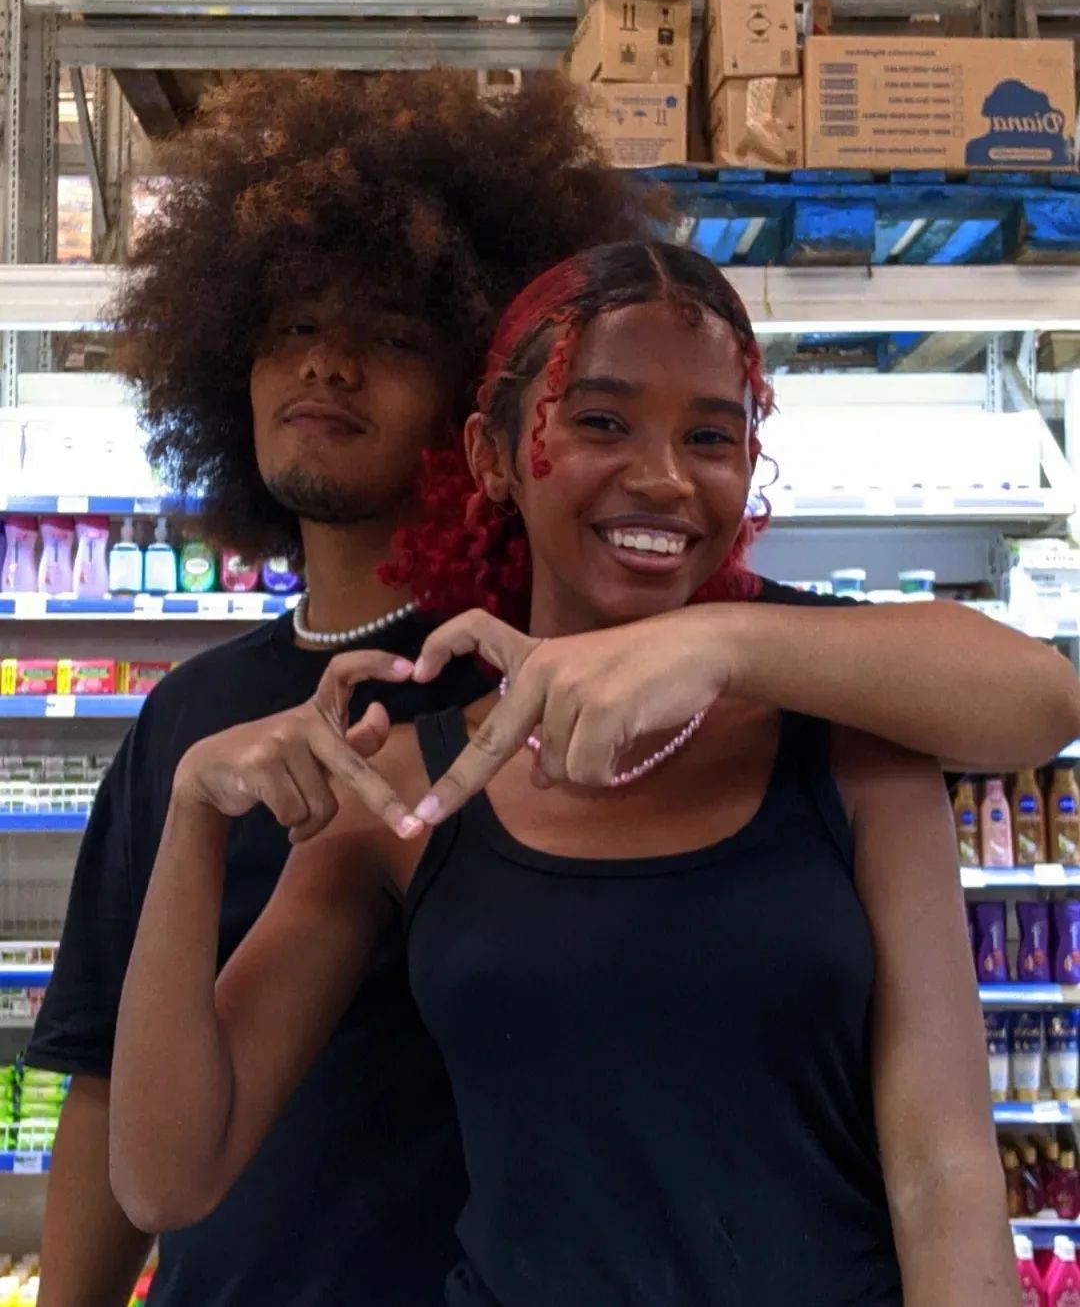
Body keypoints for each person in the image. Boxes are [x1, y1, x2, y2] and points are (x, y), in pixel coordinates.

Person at [113, 242, 1030, 1305]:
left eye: (711, 436)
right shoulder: (406, 791)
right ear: (493, 456)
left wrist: (719, 643)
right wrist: (192, 816)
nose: (664, 477)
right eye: (601, 421)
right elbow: (168, 1176)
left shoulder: (851, 747)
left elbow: (945, 1176)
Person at [27, 70, 654, 1307]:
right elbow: (102, 1080)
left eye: (393, 337)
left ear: (484, 407)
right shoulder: (189, 723)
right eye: (293, 326)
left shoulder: (534, 680)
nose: (327, 364)